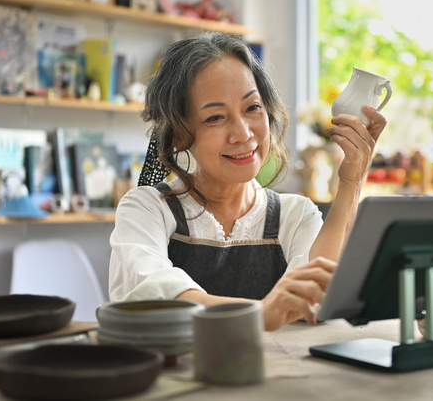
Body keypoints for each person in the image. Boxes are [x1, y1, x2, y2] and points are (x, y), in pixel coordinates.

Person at [109, 32, 386, 331]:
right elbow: (154, 299)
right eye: (215, 117)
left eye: (252, 108)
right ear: (179, 134)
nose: (242, 134)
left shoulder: (294, 215)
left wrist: (352, 180)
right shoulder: (147, 209)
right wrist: (263, 312)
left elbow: (317, 301)